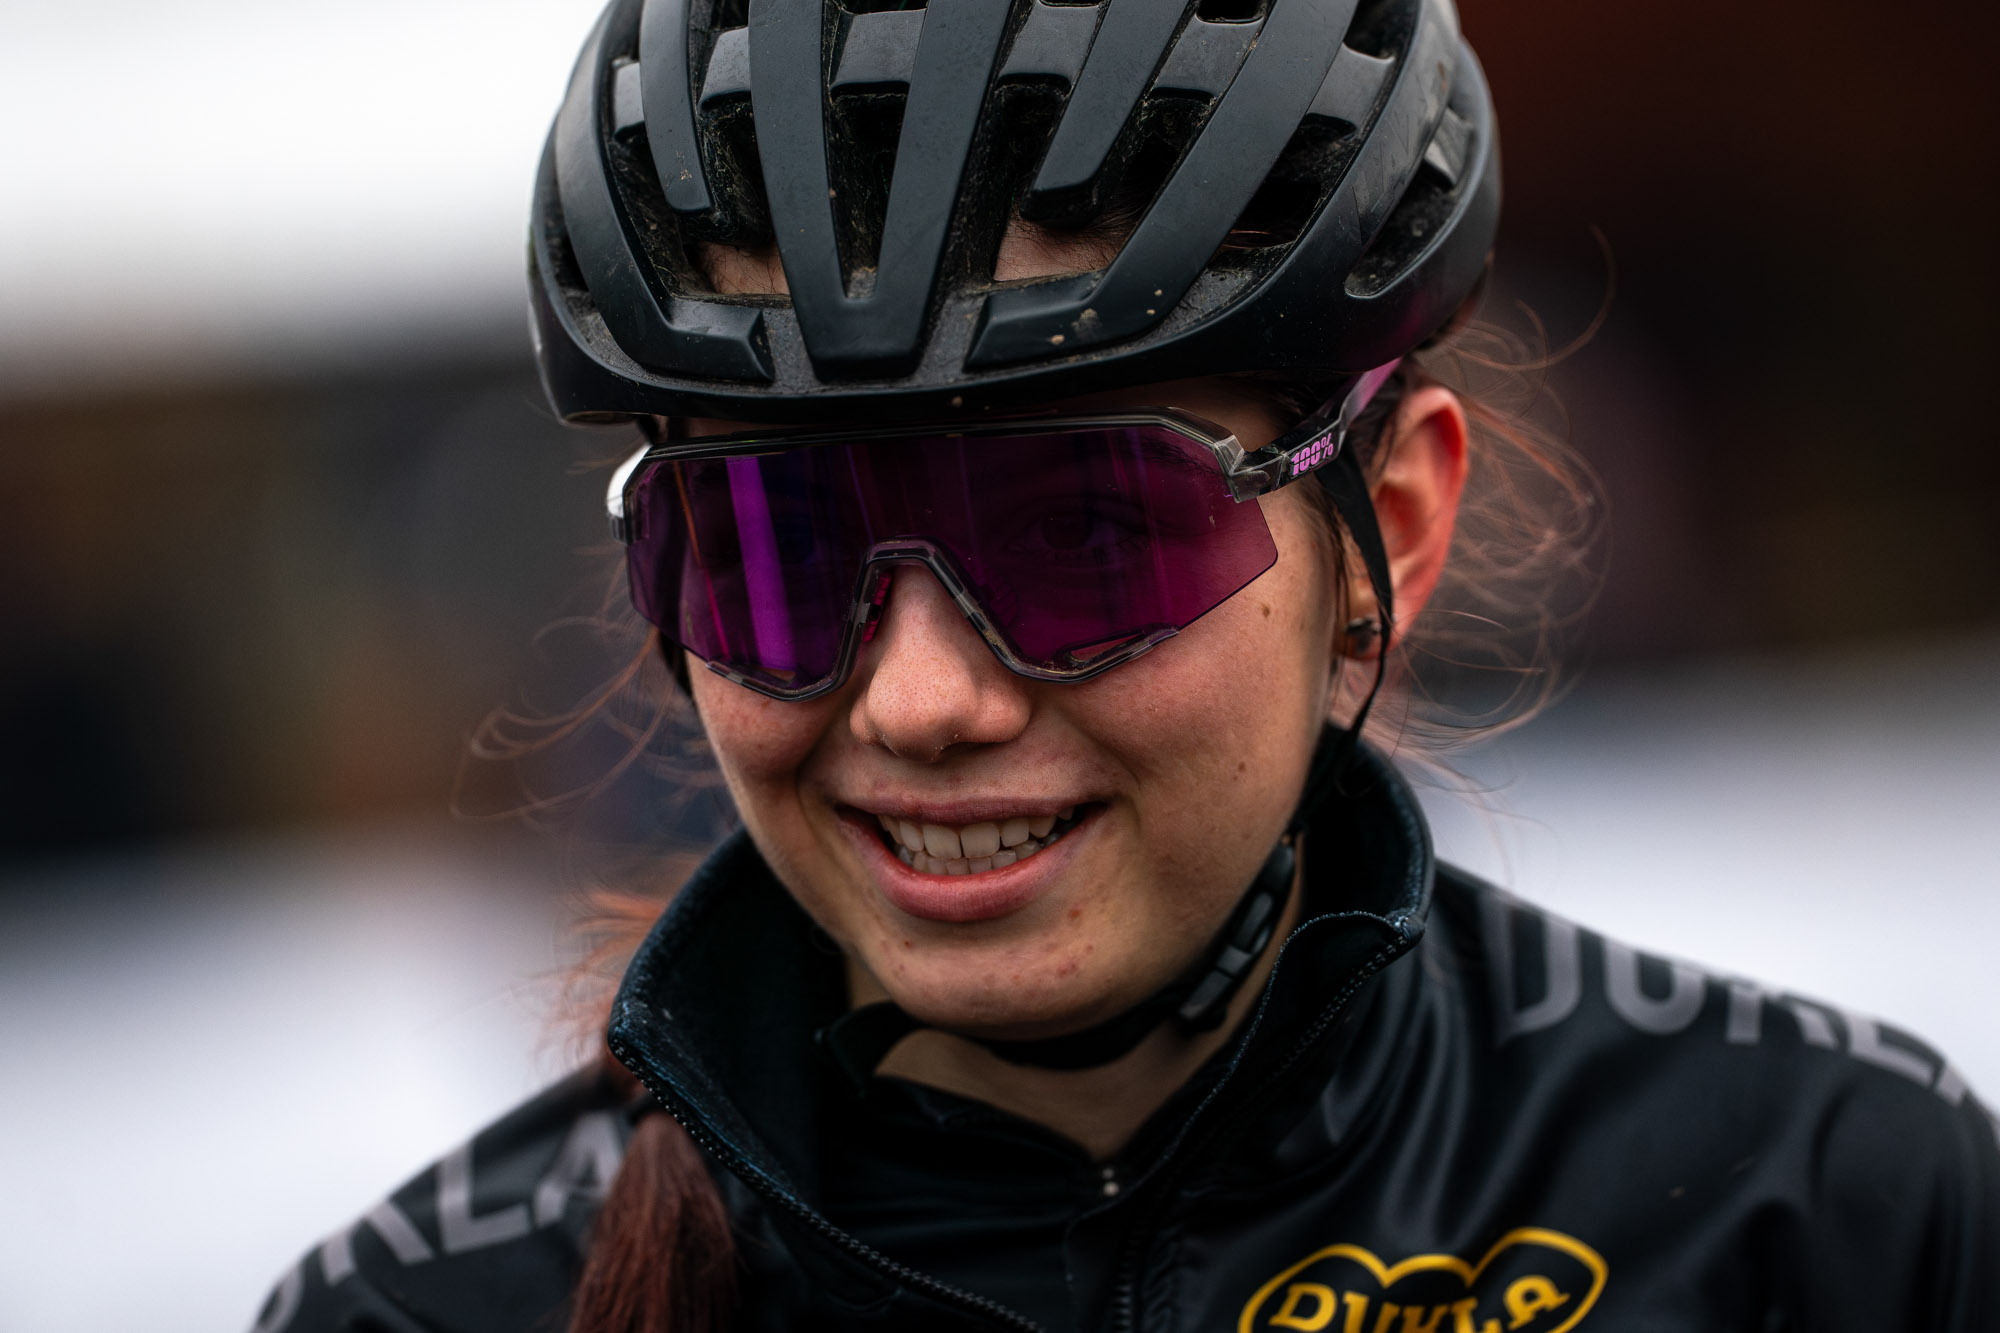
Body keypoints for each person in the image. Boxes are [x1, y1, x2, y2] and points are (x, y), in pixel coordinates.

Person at [252, 0, 1999, 1329]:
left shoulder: (1822, 1211)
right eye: (777, 552)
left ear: (1389, 529)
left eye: (1088, 533)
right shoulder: (420, 1313)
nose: (923, 701)